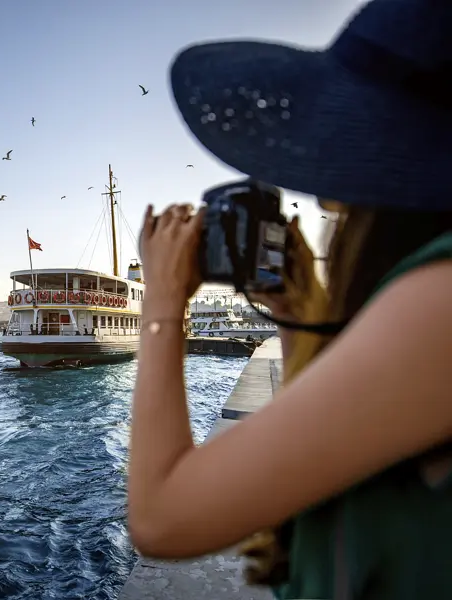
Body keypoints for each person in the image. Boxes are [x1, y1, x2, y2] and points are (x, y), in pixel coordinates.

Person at [128, 1, 452, 599]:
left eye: (340, 199)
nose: (331, 209)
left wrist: (161, 305)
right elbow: (342, 426)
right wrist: (300, 313)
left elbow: (161, 517)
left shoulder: (442, 298)